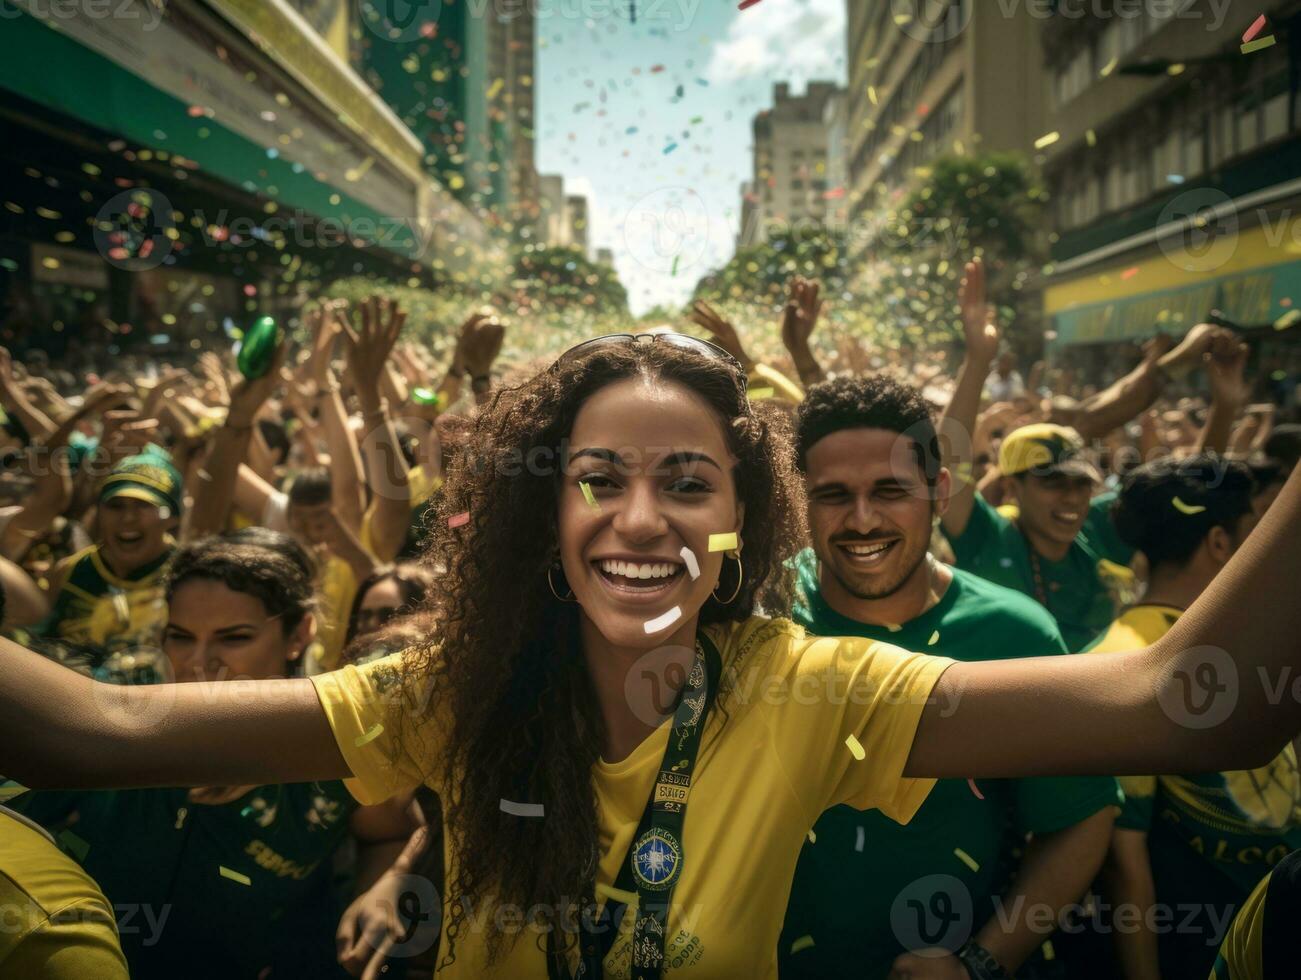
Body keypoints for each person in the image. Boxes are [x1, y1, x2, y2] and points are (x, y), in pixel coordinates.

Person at [3, 335, 1301, 980]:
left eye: (687, 481)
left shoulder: (810, 688)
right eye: (596, 481)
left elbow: (1201, 707)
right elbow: (93, 735)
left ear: (740, 520)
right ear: (540, 511)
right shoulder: (449, 689)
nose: (638, 519)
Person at [779, 376, 1119, 979]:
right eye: (833, 495)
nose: (862, 520)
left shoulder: (1016, 635)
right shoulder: (760, 614)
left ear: (939, 489)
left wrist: (981, 963)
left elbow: (1080, 820)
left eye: (890, 490)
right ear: (799, 497)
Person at [12, 530, 419, 979]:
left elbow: (389, 832)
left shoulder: (338, 740)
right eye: (181, 637)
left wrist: (386, 882)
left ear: (299, 633)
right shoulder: (116, 704)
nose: (200, 663)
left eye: (234, 638)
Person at [1084, 455, 1299, 980]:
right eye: (1255, 534)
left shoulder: (1113, 659)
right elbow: (1122, 860)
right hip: (1205, 950)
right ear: (1221, 544)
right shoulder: (1126, 667)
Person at [31, 450, 183, 682]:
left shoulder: (186, 579)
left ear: (172, 517)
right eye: (116, 505)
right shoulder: (68, 571)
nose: (128, 518)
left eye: (143, 506)